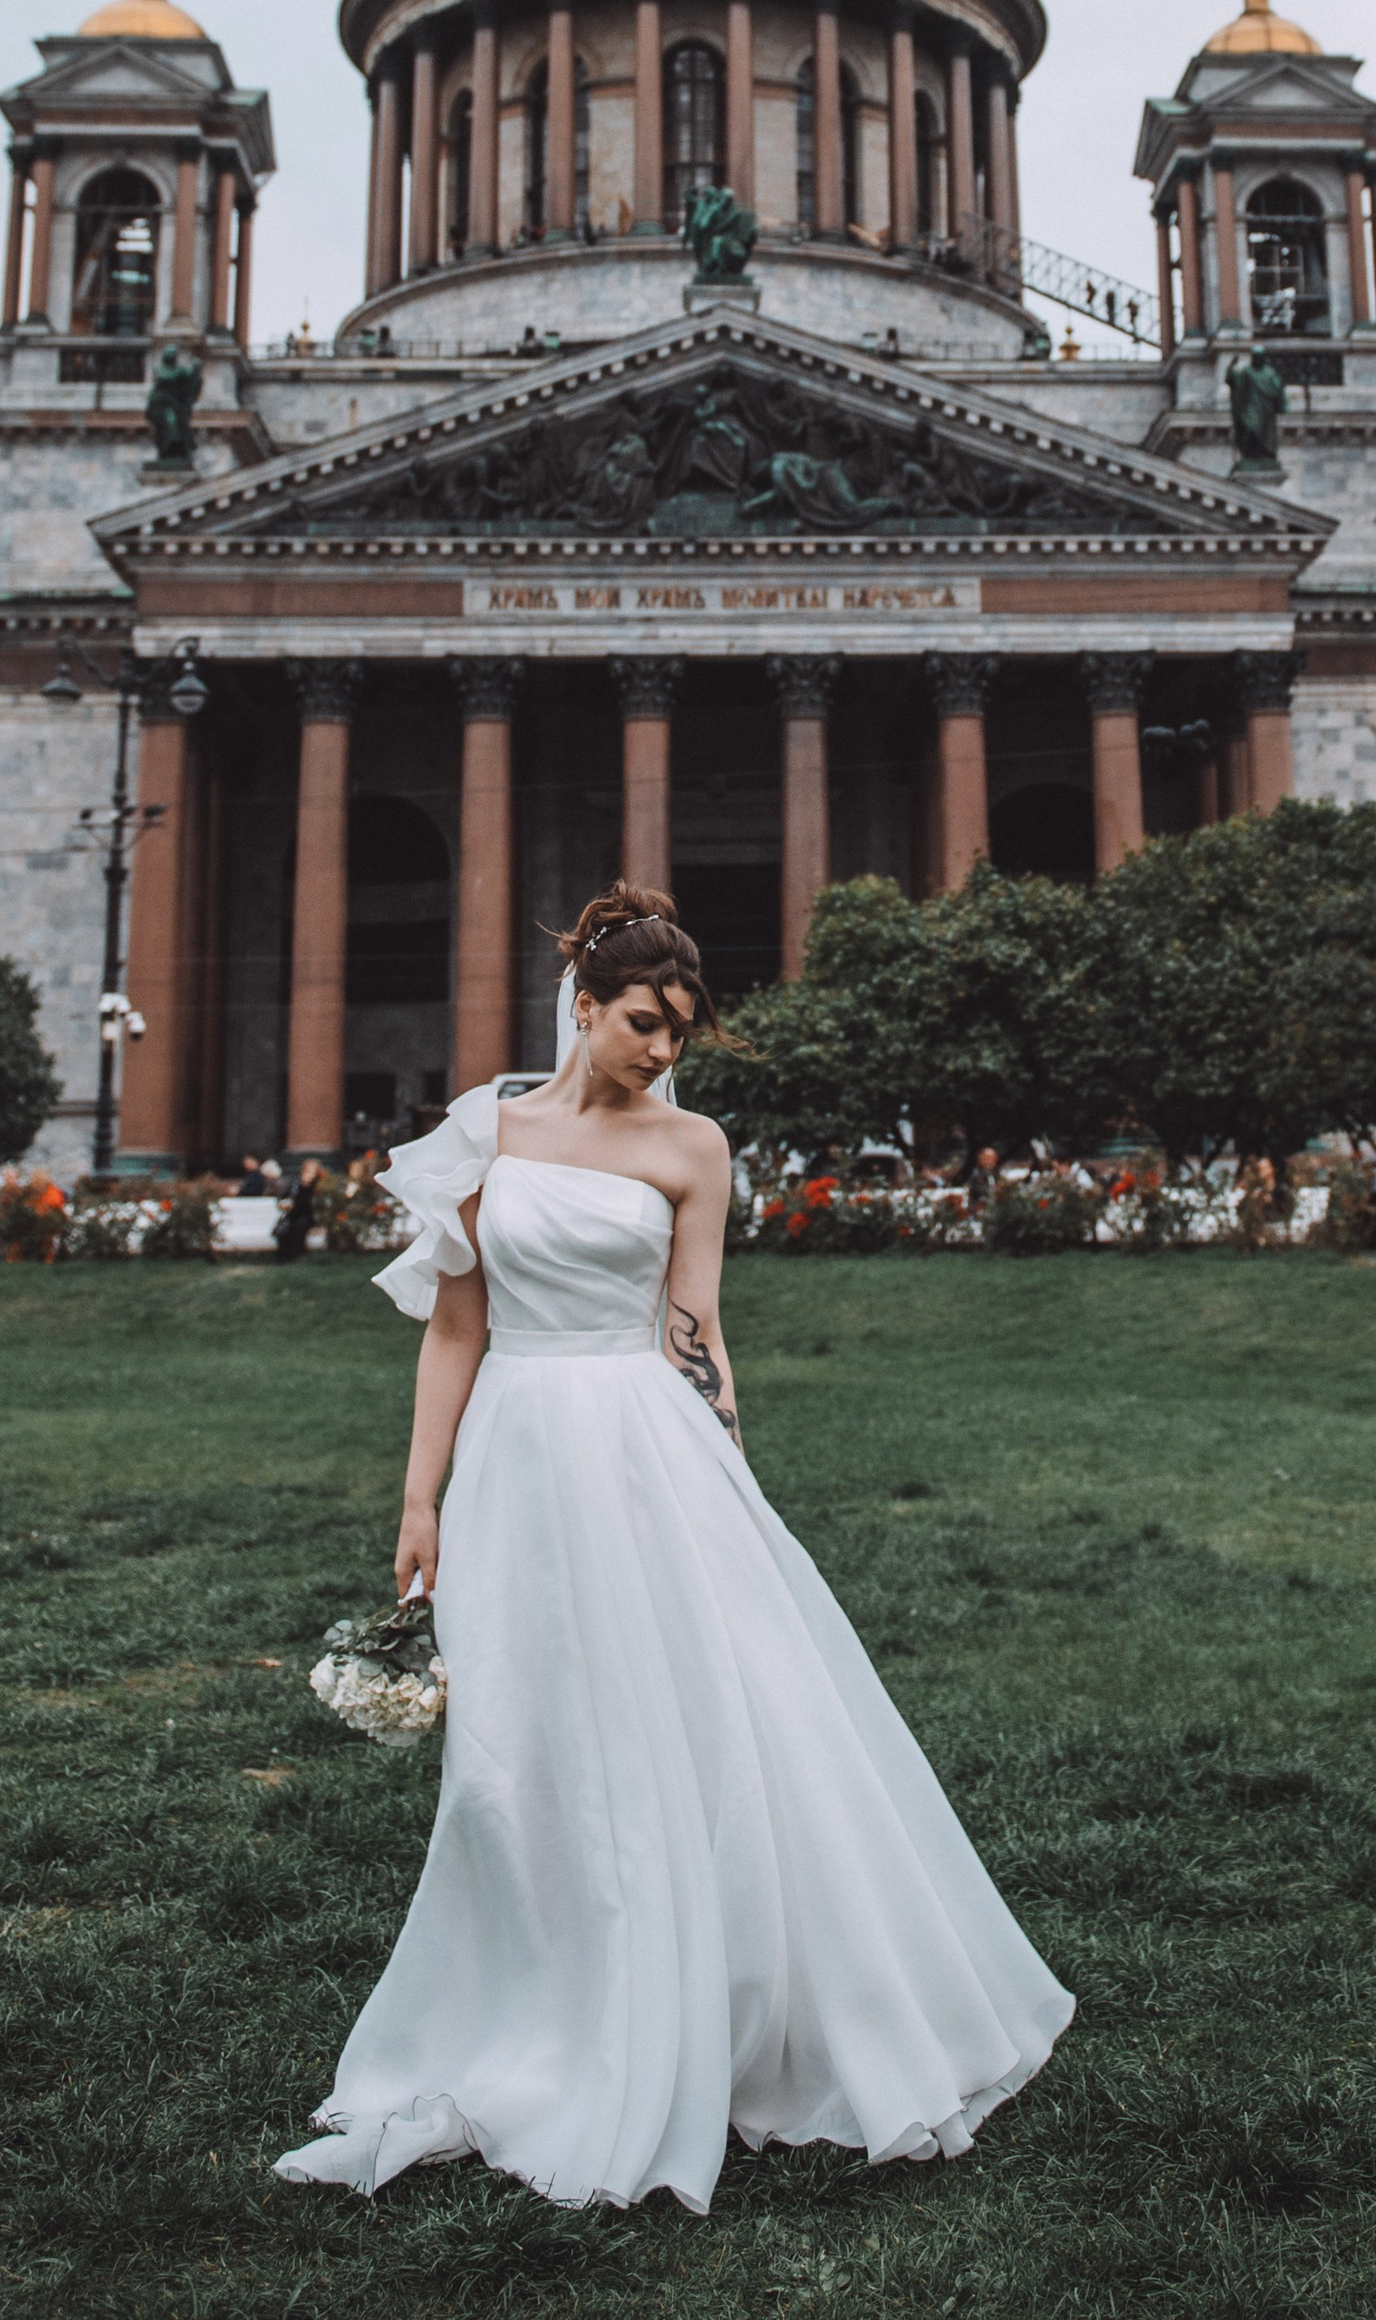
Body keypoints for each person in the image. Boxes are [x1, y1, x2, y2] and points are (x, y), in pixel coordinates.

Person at [274, 880, 1071, 2215]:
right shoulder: (487, 1135)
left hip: (646, 1444)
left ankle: (716, 1998)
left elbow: (693, 1321)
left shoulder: (693, 1146)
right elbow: (454, 1332)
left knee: (691, 1726)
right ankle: (539, 2000)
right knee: (511, 1758)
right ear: (583, 1004)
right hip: (517, 1457)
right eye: (644, 1022)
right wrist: (421, 1500)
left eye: (680, 1033)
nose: (661, 1050)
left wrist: (726, 1462)